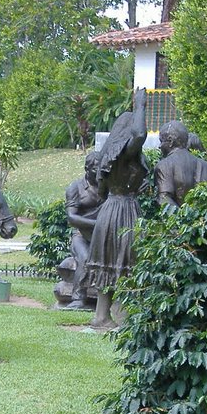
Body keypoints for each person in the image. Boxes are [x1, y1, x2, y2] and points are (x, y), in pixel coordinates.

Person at [86, 88, 150, 328]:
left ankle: (102, 316)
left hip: (110, 210)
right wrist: (141, 106)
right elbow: (140, 135)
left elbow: (101, 191)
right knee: (128, 260)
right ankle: (123, 316)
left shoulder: (109, 157)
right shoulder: (124, 153)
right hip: (125, 210)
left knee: (111, 260)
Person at [64, 152, 105, 310]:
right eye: (96, 169)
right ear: (87, 169)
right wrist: (97, 224)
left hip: (103, 236)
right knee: (85, 257)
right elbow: (71, 218)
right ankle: (77, 298)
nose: (100, 173)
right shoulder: (75, 188)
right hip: (81, 236)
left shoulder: (106, 185)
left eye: (102, 169)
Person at [154, 120, 207, 211]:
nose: (159, 146)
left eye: (161, 141)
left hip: (177, 223)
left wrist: (183, 219)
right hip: (204, 222)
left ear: (170, 141)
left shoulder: (164, 165)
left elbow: (164, 199)